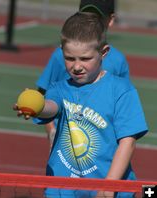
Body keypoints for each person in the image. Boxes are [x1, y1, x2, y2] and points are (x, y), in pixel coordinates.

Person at [14, 12, 148, 198]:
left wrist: (108, 187)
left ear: (104, 53)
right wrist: (38, 106)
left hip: (110, 187)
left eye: (85, 59)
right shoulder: (60, 88)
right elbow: (52, 108)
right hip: (64, 189)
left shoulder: (121, 90)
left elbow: (128, 142)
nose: (77, 66)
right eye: (69, 58)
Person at [36, 0, 130, 147]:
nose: (90, 22)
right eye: (85, 15)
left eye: (97, 17)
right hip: (64, 141)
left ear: (110, 20)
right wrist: (51, 131)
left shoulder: (118, 61)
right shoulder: (60, 54)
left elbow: (123, 106)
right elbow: (44, 93)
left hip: (101, 143)